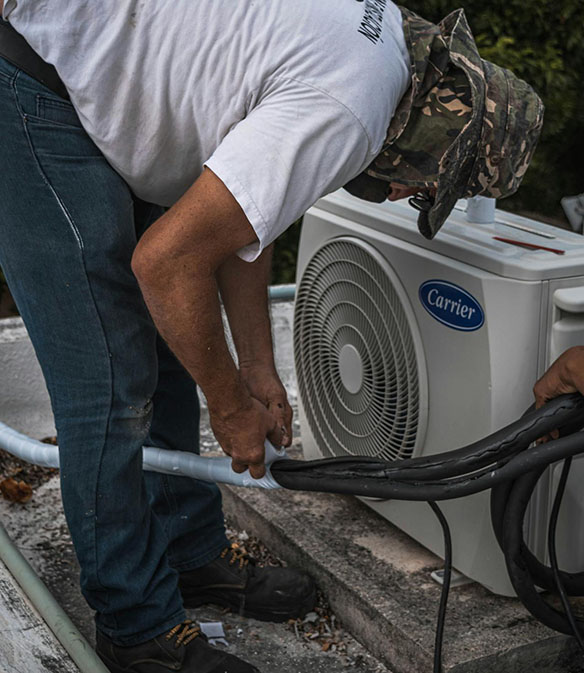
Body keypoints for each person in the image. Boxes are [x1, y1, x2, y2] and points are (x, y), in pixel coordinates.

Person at [0, 1, 543, 672]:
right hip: (34, 70)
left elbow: (243, 218)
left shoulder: (378, 51)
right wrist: (229, 405)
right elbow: (166, 264)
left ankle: (188, 550)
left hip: (105, 60)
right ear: (435, 139)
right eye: (430, 185)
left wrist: (257, 366)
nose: (408, 194)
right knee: (111, 379)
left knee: (173, 344)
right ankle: (135, 624)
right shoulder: (349, 109)